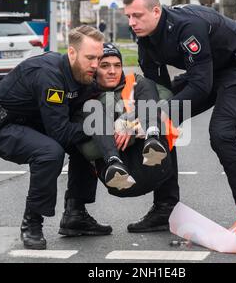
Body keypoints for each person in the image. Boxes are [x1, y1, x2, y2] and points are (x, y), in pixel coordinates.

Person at [123, 0, 236, 215]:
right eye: (128, 16)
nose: (131, 22)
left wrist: (162, 112)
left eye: (137, 15)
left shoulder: (188, 27)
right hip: (206, 71)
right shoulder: (144, 35)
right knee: (158, 123)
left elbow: (201, 86)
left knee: (221, 135)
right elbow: (158, 89)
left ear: (156, 11)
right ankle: (165, 209)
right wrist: (148, 116)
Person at [0, 26, 111, 250]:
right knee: (49, 153)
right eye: (90, 58)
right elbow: (61, 133)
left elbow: (98, 93)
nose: (96, 65)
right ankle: (32, 224)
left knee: (84, 144)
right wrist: (100, 128)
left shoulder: (82, 72)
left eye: (99, 58)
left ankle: (75, 215)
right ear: (72, 53)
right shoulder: (49, 75)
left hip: (34, 122)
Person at [75, 43, 180, 231]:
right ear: (94, 69)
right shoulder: (87, 99)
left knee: (152, 101)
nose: (112, 71)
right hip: (117, 174)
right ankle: (114, 163)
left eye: (117, 65)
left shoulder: (136, 84)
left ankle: (165, 209)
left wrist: (129, 124)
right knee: (94, 110)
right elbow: (89, 150)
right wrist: (118, 129)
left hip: (155, 166)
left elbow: (167, 101)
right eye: (105, 65)